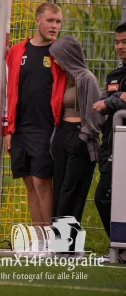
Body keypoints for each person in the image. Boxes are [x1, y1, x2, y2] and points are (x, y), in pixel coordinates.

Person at [3, 2, 66, 226]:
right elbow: (7, 90)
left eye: (58, 22)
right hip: (19, 128)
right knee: (29, 183)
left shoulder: (60, 52)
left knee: (42, 183)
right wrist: (7, 129)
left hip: (46, 127)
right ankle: (38, 237)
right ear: (37, 20)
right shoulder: (17, 51)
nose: (54, 26)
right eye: (50, 20)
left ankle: (51, 236)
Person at [48, 36, 104, 224]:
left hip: (80, 137)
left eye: (58, 56)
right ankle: (59, 244)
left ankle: (68, 246)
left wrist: (84, 135)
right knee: (59, 189)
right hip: (62, 134)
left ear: (68, 56)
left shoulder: (87, 78)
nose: (55, 60)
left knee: (72, 191)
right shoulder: (63, 79)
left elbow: (97, 113)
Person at [92, 22, 126, 263]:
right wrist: (116, 98)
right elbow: (101, 102)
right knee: (104, 197)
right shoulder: (114, 75)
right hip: (111, 146)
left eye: (124, 42)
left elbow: (108, 102)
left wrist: (112, 102)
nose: (120, 47)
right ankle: (120, 250)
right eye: (117, 42)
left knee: (105, 196)